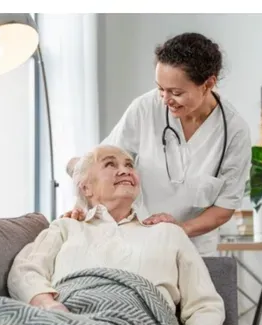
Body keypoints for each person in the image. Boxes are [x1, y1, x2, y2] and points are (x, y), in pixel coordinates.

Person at [7, 145, 225, 325]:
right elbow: (25, 269)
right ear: (86, 188)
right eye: (110, 164)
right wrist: (49, 305)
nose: (125, 170)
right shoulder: (66, 226)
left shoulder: (168, 232)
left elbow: (206, 304)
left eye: (129, 165)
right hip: (69, 323)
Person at [65, 32, 251, 256]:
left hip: (192, 250)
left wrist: (178, 230)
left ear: (208, 84)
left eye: (176, 92)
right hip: (133, 241)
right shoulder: (145, 108)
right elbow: (100, 162)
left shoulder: (234, 131)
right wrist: (81, 201)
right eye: (160, 88)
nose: (165, 99)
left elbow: (224, 208)